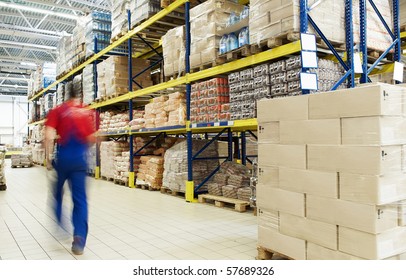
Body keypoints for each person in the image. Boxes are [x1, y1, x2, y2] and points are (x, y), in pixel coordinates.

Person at [44, 89, 96, 255]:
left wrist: (48, 158)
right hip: (80, 161)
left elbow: (49, 135)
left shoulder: (58, 110)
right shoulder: (85, 111)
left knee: (57, 194)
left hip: (63, 160)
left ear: (66, 96)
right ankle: (79, 239)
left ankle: (61, 225)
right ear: (78, 96)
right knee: (80, 200)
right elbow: (93, 138)